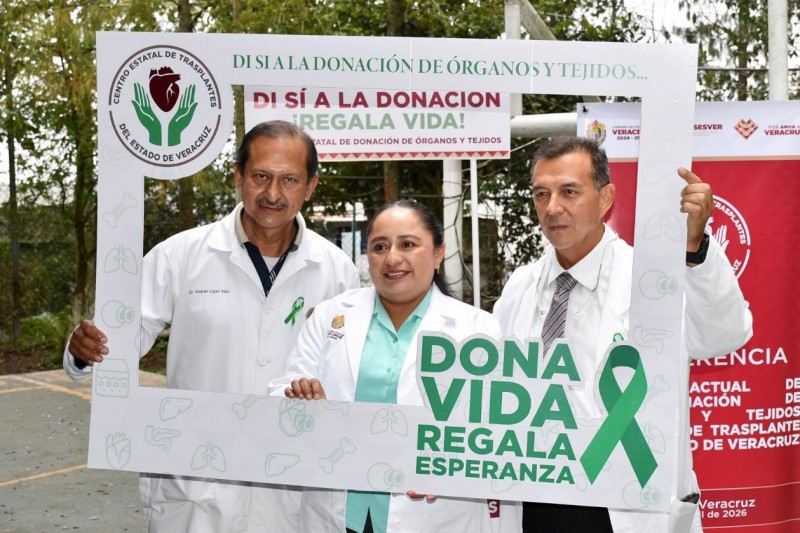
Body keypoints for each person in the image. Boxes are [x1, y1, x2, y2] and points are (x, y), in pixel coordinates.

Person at [64, 120, 361, 532]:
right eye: (260, 176)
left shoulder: (338, 272)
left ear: (310, 186)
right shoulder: (180, 255)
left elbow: (351, 374)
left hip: (292, 485)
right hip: (196, 484)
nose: (273, 193)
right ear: (238, 176)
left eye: (289, 179)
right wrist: (84, 351)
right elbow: (115, 339)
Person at [493, 136, 753, 533]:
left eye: (569, 192)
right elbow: (493, 390)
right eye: (541, 194)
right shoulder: (520, 286)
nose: (552, 207)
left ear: (606, 198)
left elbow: (725, 335)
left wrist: (695, 248)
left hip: (622, 505)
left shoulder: (650, 279)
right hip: (536, 497)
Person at [270, 200, 521, 533]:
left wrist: (455, 470)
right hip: (336, 511)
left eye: (408, 244)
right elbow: (281, 393)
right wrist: (299, 398)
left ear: (438, 253)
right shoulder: (331, 315)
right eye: (379, 247)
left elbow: (497, 428)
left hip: (430, 515)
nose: (392, 258)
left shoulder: (477, 329)